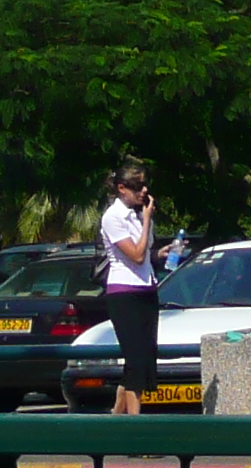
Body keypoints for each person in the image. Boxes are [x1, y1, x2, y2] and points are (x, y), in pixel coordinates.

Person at [97, 165, 160, 415]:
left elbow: (145, 254)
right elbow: (134, 254)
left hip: (146, 288)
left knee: (144, 358)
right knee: (135, 361)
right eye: (137, 187)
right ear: (122, 189)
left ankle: (115, 420)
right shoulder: (113, 217)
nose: (143, 191)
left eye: (145, 185)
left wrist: (161, 254)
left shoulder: (137, 215)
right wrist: (146, 221)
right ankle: (137, 429)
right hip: (124, 294)